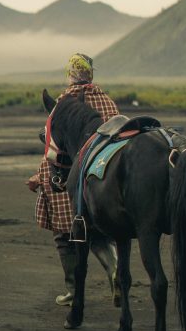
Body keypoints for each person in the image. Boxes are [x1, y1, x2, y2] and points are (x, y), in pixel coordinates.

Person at [27, 52, 119, 306]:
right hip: (105, 181)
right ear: (91, 73)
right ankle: (115, 271)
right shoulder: (108, 102)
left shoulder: (62, 103)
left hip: (71, 180)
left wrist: (41, 178)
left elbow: (54, 152)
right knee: (100, 234)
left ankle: (72, 291)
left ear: (70, 74)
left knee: (64, 236)